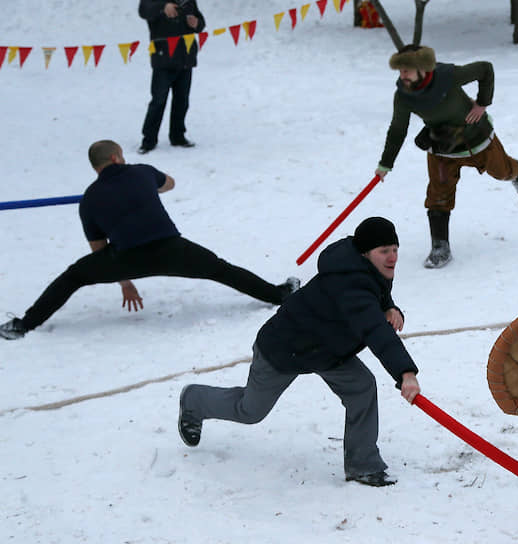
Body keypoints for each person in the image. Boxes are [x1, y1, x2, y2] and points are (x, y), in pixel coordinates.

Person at [177, 217, 420, 487]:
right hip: (285, 349)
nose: (392, 257)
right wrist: (405, 372)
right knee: (250, 410)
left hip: (327, 350)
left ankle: (362, 465)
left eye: (394, 249)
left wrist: (389, 306)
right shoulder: (350, 282)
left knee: (362, 387)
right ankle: (194, 400)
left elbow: (374, 293)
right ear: (365, 253)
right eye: (383, 251)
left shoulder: (362, 266)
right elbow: (375, 329)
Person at [0, 140, 298, 341]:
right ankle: (278, 294)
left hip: (125, 258)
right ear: (117, 157)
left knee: (73, 276)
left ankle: (24, 325)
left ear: (96, 167)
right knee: (220, 269)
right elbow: (169, 183)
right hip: (172, 250)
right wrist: (144, 190)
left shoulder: (90, 199)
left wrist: (124, 279)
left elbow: (98, 249)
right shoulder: (142, 172)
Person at [374, 44, 518, 269]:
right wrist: (385, 164)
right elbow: (398, 129)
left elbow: (485, 69)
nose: (403, 76)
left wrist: (482, 103)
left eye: (407, 70)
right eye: (400, 71)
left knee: (502, 171)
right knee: (438, 194)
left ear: (422, 68)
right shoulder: (404, 96)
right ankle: (440, 247)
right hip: (442, 148)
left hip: (476, 140)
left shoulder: (448, 76)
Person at [138, 0, 206, 154]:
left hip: (186, 58)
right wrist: (163, 7)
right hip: (163, 59)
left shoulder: (188, 1)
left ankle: (178, 136)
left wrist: (196, 23)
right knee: (158, 100)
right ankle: (148, 140)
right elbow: (144, 11)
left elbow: (201, 23)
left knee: (182, 100)